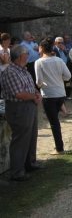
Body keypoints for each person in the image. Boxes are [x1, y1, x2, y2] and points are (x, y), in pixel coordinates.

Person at [0, 45, 42, 181]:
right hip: (19, 108)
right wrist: (34, 97)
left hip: (29, 105)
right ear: (19, 56)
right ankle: (17, 172)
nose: (28, 55)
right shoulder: (10, 72)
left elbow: (31, 87)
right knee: (21, 140)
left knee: (31, 136)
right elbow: (18, 94)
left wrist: (37, 94)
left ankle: (30, 163)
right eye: (26, 53)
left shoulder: (23, 70)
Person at [35, 38, 71, 155]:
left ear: (42, 48)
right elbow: (68, 76)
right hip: (60, 93)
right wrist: (59, 79)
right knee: (56, 122)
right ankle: (59, 147)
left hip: (49, 95)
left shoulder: (39, 62)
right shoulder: (59, 60)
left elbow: (38, 81)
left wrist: (42, 85)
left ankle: (59, 148)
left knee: (54, 123)